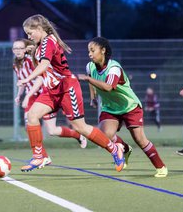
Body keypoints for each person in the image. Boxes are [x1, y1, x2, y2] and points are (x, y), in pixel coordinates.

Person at [18, 14, 124, 172]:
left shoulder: (48, 42)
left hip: (67, 88)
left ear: (39, 29)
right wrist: (31, 49)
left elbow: (44, 65)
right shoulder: (42, 43)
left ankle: (115, 149)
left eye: (30, 33)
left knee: (80, 127)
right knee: (32, 116)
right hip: (52, 90)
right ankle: (40, 157)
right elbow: (43, 58)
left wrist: (27, 79)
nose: (28, 36)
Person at [78, 37, 168, 178]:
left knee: (140, 139)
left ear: (103, 50)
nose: (89, 54)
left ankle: (160, 167)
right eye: (88, 50)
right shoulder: (90, 66)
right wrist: (93, 97)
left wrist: (88, 79)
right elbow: (91, 80)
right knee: (103, 136)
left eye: (92, 50)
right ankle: (124, 149)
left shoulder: (114, 68)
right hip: (110, 108)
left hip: (129, 106)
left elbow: (108, 87)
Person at [12, 38, 87, 164]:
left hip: (43, 94)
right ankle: (42, 156)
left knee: (52, 131)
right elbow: (23, 81)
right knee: (28, 124)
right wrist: (19, 95)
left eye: (20, 48)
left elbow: (40, 79)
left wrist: (27, 96)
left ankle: (78, 135)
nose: (18, 50)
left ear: (26, 49)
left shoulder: (32, 60)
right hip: (30, 97)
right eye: (15, 48)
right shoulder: (16, 64)